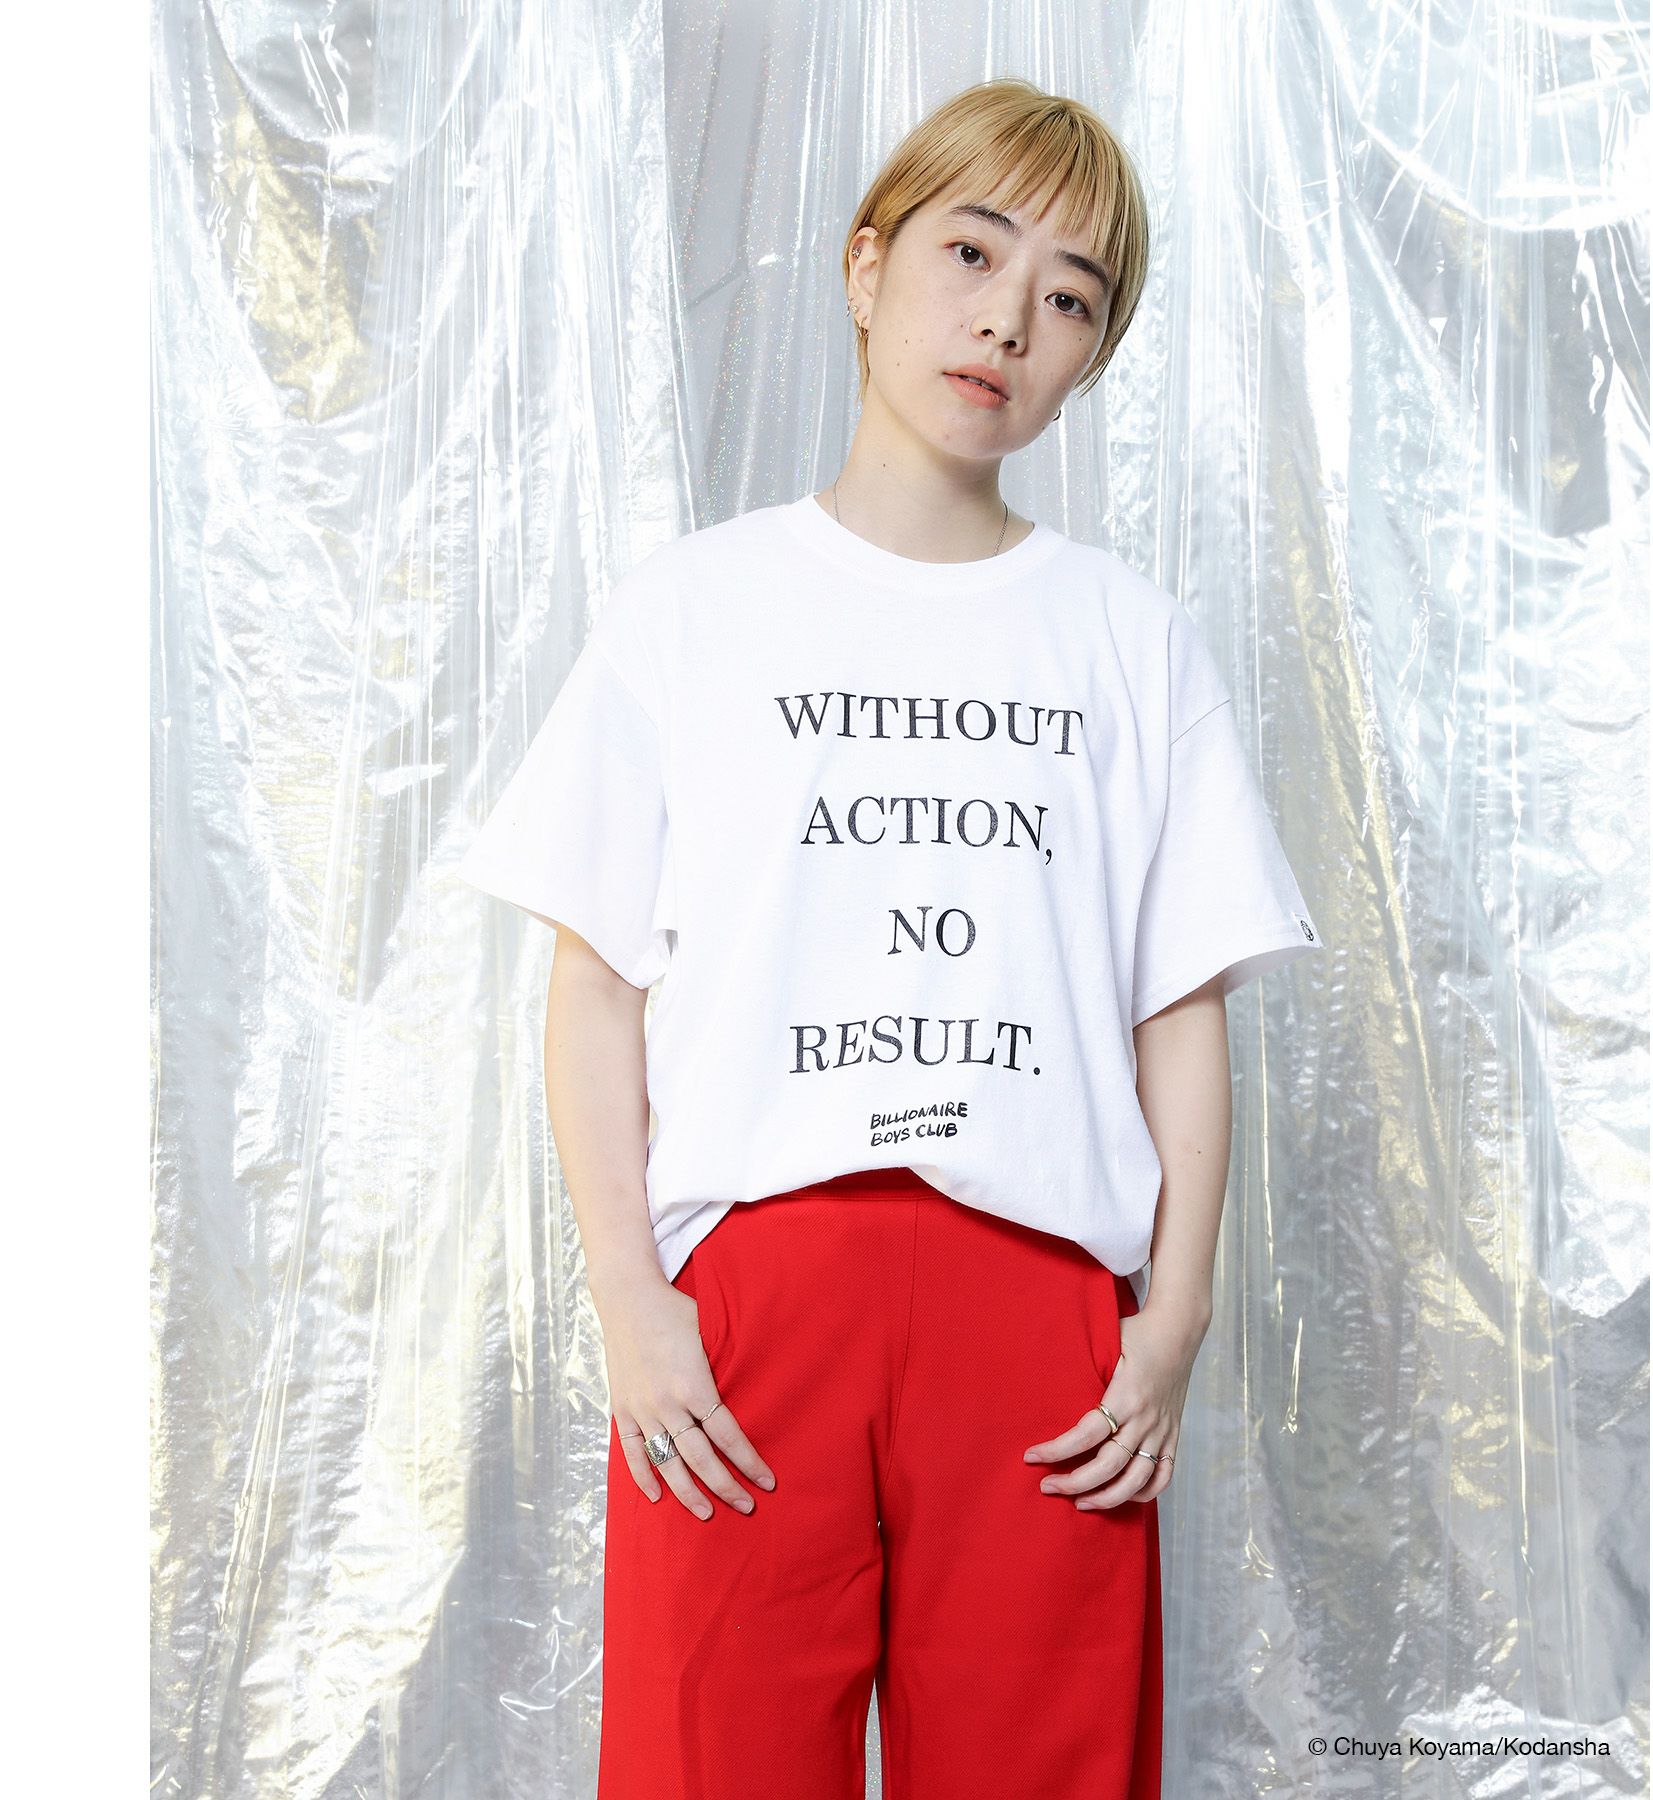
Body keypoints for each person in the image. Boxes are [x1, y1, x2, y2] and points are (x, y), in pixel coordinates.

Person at [459, 78, 1324, 1800]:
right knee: (713, 1764)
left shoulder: (1129, 640)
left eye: (1071, 295)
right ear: (867, 269)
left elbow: (1180, 1007)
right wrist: (632, 1298)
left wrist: (1172, 1322)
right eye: (971, 252)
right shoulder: (695, 608)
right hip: (752, 1299)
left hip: (1041, 1304)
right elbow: (596, 979)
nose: (1007, 318)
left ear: (1089, 359)